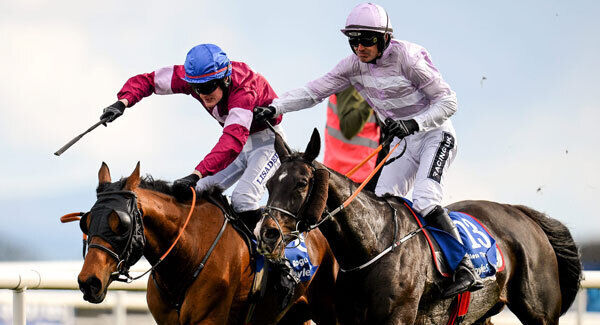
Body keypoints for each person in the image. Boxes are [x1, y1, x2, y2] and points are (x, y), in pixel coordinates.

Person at [254, 3, 483, 298]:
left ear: (385, 38)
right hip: (404, 143)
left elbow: (449, 102)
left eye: (367, 40)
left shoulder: (408, 58)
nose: (359, 47)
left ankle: (464, 265)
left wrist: (414, 123)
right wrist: (276, 107)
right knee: (382, 202)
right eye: (353, 41)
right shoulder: (352, 66)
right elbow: (313, 91)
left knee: (425, 198)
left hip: (435, 135)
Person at [100, 43, 284, 231]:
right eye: (197, 88)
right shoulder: (193, 77)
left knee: (243, 199)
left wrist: (197, 173)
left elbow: (232, 141)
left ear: (226, 79)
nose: (203, 94)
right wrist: (123, 102)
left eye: (208, 86)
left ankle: (279, 254)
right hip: (238, 148)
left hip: (268, 144)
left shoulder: (244, 89)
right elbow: (149, 81)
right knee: (196, 194)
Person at [323, 86, 382, 189]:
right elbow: (349, 127)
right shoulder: (352, 84)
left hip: (359, 173)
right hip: (350, 175)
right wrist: (372, 98)